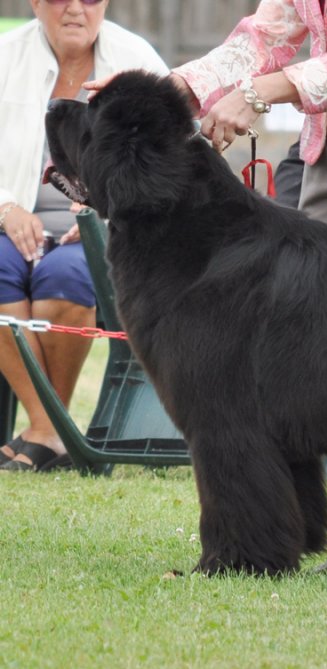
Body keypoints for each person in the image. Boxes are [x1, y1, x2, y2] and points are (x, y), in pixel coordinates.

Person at [92, 0, 327, 579]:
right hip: (323, 157)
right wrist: (173, 90)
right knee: (315, 363)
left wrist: (260, 93)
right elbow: (262, 35)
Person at [0, 0, 168, 472]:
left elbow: (168, 155)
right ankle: (49, 429)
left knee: (68, 274)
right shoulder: (5, 56)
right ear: (35, 3)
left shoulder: (137, 60)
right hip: (11, 224)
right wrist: (6, 206)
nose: (75, 9)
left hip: (106, 229)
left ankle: (42, 432)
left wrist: (107, 213)